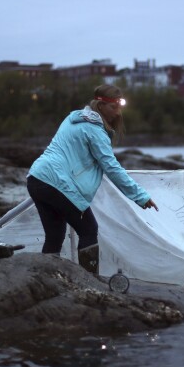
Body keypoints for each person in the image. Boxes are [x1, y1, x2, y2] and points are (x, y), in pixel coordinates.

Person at [26, 84, 158, 274]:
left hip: (37, 178)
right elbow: (112, 168)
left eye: (120, 107)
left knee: (55, 235)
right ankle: (89, 281)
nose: (118, 113)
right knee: (88, 229)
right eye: (114, 107)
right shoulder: (95, 131)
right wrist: (141, 197)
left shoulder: (73, 118)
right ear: (101, 105)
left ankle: (46, 279)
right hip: (57, 182)